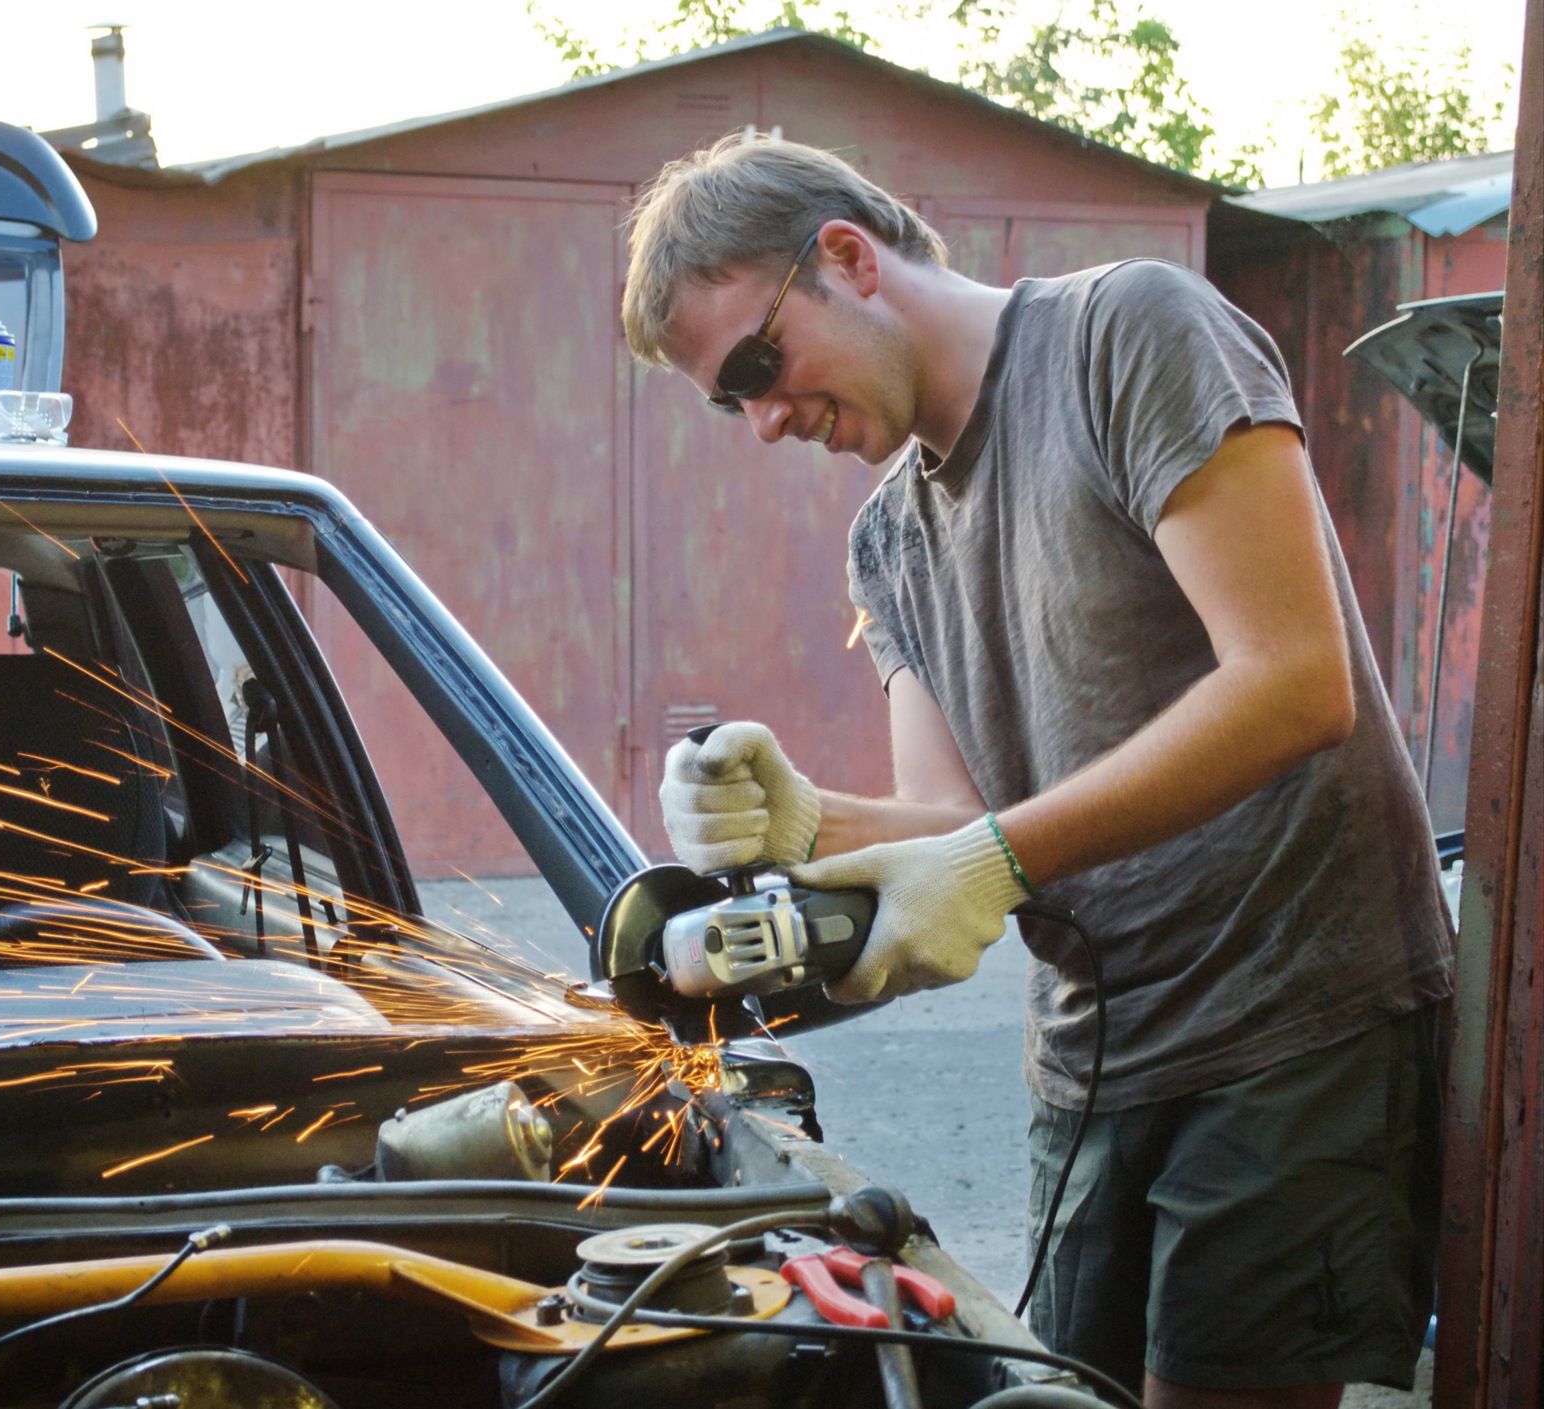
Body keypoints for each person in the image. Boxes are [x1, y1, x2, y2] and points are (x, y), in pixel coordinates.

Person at [624, 134, 1453, 1409]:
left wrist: (991, 856)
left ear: (847, 257)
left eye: (757, 362)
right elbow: (954, 828)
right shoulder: (888, 538)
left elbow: (1296, 679)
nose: (766, 421)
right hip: (1093, 1067)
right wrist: (800, 821)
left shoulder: (1130, 334)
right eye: (730, 401)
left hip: (1289, 1020)